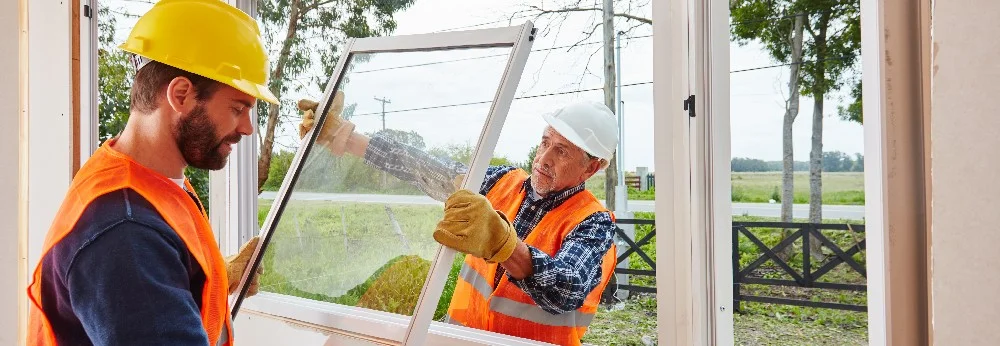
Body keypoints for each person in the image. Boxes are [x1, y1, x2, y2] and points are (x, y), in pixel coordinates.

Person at [26, 0, 275, 345]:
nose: (247, 128)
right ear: (181, 94)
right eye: (238, 108)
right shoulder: (124, 230)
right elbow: (133, 263)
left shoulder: (146, 180)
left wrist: (206, 277)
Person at [297, 92, 620, 346]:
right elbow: (425, 168)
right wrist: (346, 138)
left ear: (592, 167)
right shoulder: (501, 183)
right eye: (545, 143)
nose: (544, 159)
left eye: (562, 151)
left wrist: (505, 246)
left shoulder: (593, 223)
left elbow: (567, 289)